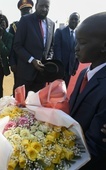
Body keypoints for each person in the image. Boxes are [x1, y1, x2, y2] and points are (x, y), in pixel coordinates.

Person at [69, 12, 106, 169]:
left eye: (82, 43)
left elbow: (96, 146)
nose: (76, 48)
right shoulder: (85, 73)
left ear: (104, 46)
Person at [13, 0, 55, 96]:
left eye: (47, 6)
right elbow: (17, 45)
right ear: (36, 6)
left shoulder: (51, 24)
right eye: (41, 6)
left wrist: (48, 59)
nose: (44, 9)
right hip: (25, 73)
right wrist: (32, 60)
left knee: (37, 106)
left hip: (41, 75)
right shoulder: (25, 20)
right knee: (21, 106)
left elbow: (51, 47)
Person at [9, 0, 34, 94]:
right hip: (19, 63)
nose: (26, 13)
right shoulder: (14, 26)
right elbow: (12, 46)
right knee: (18, 88)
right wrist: (12, 63)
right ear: (20, 12)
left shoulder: (37, 25)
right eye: (24, 11)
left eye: (28, 10)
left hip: (33, 63)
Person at [54, 12, 80, 87]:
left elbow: (77, 51)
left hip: (70, 68)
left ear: (79, 21)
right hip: (59, 68)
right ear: (68, 20)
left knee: (65, 89)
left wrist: (75, 67)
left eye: (76, 19)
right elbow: (57, 49)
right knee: (56, 90)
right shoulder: (60, 31)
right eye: (72, 19)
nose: (73, 21)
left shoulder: (78, 35)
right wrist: (59, 66)